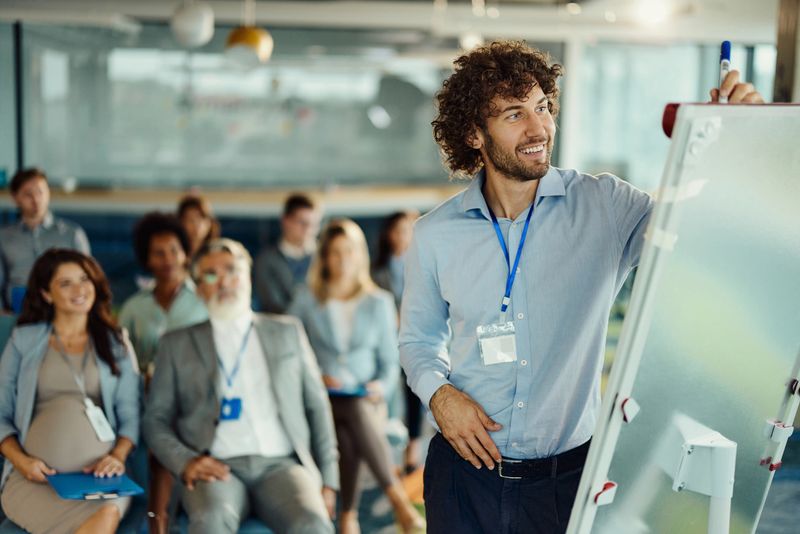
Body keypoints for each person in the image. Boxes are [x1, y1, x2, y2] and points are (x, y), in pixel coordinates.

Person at [398, 40, 764, 534]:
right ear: (473, 134)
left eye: (543, 107)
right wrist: (439, 394)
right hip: (464, 474)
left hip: (566, 482)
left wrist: (737, 145)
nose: (540, 128)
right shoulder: (434, 234)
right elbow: (418, 341)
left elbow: (697, 235)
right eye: (514, 114)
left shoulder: (605, 206)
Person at [143, 238, 338, 534]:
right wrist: (186, 462)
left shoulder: (287, 331)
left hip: (282, 463)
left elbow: (317, 405)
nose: (224, 281)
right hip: (215, 464)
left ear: (247, 277)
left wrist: (328, 480)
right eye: (211, 274)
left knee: (312, 523)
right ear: (197, 288)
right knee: (210, 522)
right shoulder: (176, 344)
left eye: (232, 270)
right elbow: (155, 419)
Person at [289, 219, 425, 534]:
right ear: (323, 256)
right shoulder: (305, 299)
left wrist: (379, 386)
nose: (342, 259)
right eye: (334, 252)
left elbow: (391, 364)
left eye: (348, 251)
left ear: (359, 254)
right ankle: (398, 502)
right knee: (350, 413)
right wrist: (318, 377)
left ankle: (347, 518)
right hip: (321, 399)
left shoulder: (378, 301)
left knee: (351, 425)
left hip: (368, 401)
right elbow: (289, 353)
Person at [0, 249, 140, 534]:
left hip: (102, 484)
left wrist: (118, 457)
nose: (79, 289)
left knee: (104, 516)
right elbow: (0, 413)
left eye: (84, 279)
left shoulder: (117, 342)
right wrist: (21, 461)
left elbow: (131, 415)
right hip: (35, 482)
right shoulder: (23, 340)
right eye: (65, 283)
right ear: (47, 294)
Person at [117, 212, 208, 533]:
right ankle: (159, 519)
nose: (168, 259)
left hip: (195, 399)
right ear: (147, 259)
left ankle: (159, 519)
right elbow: (120, 363)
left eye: (173, 250)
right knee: (158, 421)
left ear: (185, 253)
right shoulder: (133, 308)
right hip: (146, 395)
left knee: (163, 427)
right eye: (158, 252)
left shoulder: (204, 302)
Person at [371, 211, 424, 472]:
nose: (403, 236)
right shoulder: (376, 271)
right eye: (398, 230)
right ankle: (387, 449)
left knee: (415, 391)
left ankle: (412, 450)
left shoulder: (423, 264)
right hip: (388, 340)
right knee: (390, 392)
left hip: (416, 338)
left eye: (408, 229)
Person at [0, 168, 91, 312]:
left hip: (63, 308)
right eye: (28, 194)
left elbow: (88, 278)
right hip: (17, 310)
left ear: (48, 193)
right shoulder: (3, 237)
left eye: (40, 192)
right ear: (15, 198)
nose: (36, 199)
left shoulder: (72, 233)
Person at [254, 193, 321, 314]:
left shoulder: (324, 257)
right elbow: (274, 306)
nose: (308, 230)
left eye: (314, 224)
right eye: (302, 223)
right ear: (285, 221)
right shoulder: (266, 260)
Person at [177, 194, 221, 258]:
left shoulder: (219, 253)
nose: (196, 224)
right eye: (190, 219)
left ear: (210, 222)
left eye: (201, 218)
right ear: (181, 222)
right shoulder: (176, 256)